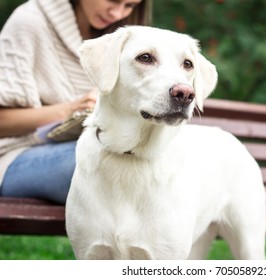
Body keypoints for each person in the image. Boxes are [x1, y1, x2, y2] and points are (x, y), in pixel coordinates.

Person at [0, 0, 152, 204]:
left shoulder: (122, 40)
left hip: (96, 146)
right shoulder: (29, 22)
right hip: (13, 157)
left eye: (129, 6)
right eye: (113, 0)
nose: (117, 13)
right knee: (110, 164)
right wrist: (71, 109)